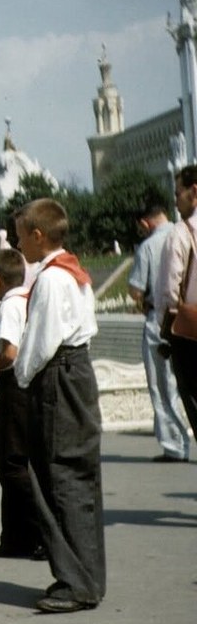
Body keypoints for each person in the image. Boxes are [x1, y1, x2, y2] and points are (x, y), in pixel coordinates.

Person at [13, 198, 105, 614]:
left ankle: (74, 579)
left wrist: (21, 376)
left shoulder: (50, 278)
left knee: (57, 474)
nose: (18, 247)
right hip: (78, 370)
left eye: (20, 238)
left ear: (37, 235)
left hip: (58, 373)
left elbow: (41, 340)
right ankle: (88, 575)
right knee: (78, 475)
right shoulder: (74, 269)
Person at [0, 249, 50, 560]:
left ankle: (39, 532)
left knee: (12, 465)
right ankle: (15, 535)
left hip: (14, 387)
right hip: (29, 387)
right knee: (15, 464)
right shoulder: (27, 300)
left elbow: (10, 353)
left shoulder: (8, 306)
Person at [128, 201, 188, 462]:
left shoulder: (148, 246)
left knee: (162, 385)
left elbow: (136, 289)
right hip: (190, 318)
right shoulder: (186, 234)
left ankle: (174, 444)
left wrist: (141, 302)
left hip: (160, 322)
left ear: (145, 223)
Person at [156, 166, 197, 442]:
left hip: (189, 331)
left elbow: (170, 290)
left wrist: (166, 324)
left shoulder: (180, 234)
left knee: (192, 395)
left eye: (178, 193)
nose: (175, 200)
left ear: (194, 192)